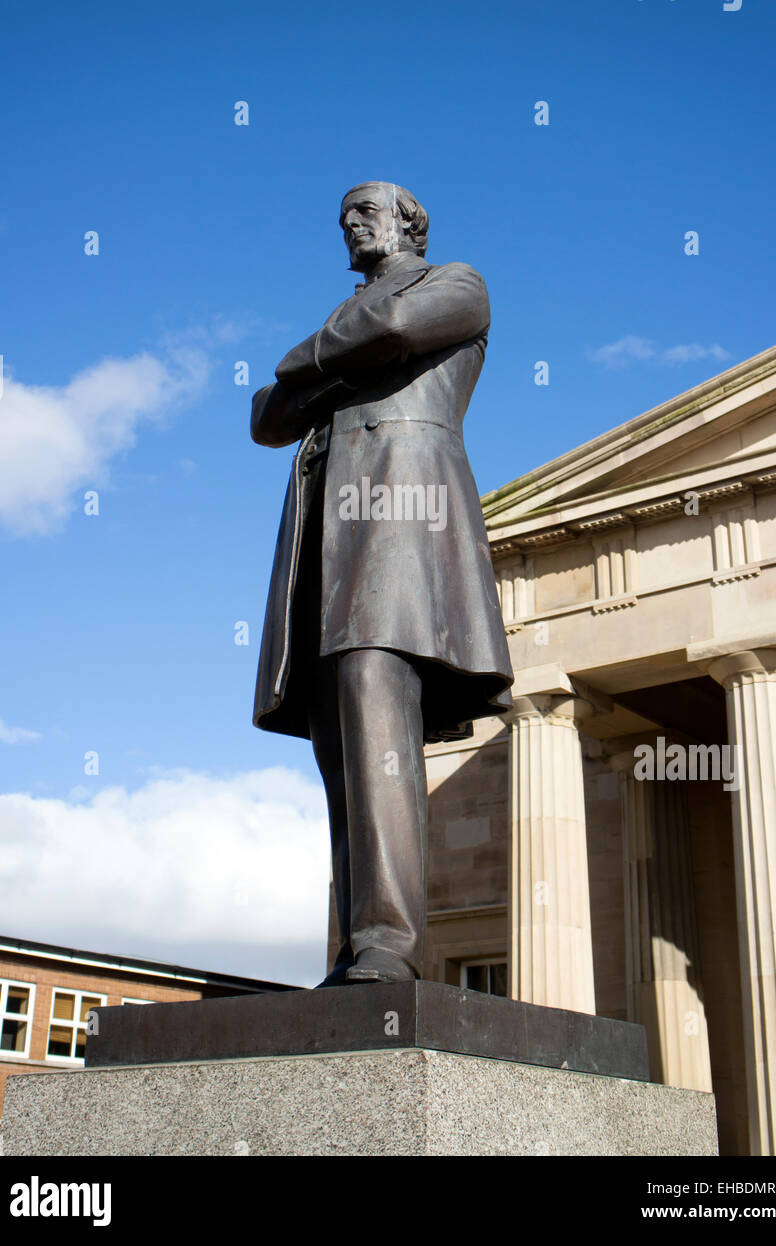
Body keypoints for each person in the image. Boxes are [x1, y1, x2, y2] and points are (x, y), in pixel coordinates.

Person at [251, 181, 513, 983]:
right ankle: (356, 945)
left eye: (365, 213)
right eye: (342, 220)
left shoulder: (455, 284)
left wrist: (315, 360)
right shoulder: (354, 319)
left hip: (403, 516)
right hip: (326, 540)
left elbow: (393, 326)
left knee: (373, 686)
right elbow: (266, 415)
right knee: (341, 735)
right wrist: (339, 359)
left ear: (410, 223)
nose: (350, 228)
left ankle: (388, 943)